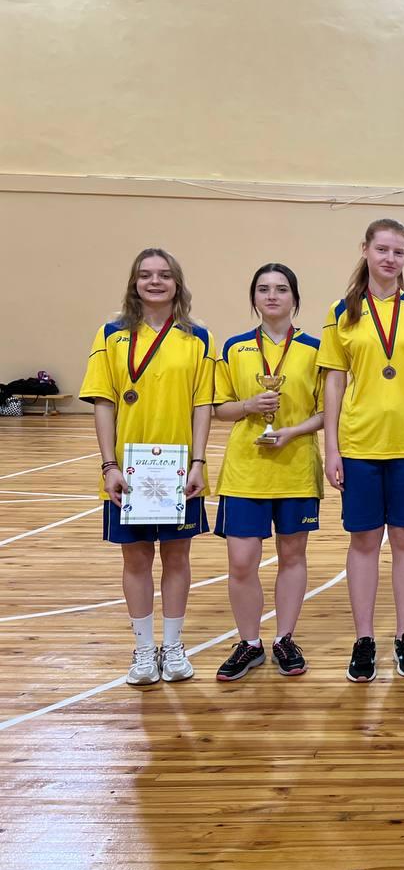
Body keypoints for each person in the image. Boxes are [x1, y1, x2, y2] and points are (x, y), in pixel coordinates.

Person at [319, 219, 404, 682]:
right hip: (360, 443)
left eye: (399, 252)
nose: (390, 258)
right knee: (365, 542)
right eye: (383, 249)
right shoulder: (342, 312)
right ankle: (364, 638)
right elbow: (333, 383)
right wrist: (331, 447)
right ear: (366, 251)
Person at [80, 248, 215, 686]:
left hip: (179, 470)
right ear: (134, 283)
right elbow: (104, 402)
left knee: (177, 558)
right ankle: (142, 651)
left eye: (163, 275)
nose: (154, 282)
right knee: (135, 560)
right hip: (129, 471)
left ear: (177, 282)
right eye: (145, 275)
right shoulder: (111, 334)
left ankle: (173, 648)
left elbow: (202, 404)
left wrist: (198, 461)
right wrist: (108, 465)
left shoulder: (198, 338)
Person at [212, 263, 325, 680]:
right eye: (263, 289)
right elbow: (218, 407)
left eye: (281, 289)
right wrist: (248, 407)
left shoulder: (316, 348)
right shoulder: (235, 347)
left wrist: (292, 431)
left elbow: (328, 411)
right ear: (254, 298)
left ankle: (284, 638)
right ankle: (248, 642)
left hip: (296, 468)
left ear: (295, 298)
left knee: (292, 556)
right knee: (242, 561)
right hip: (246, 471)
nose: (272, 296)